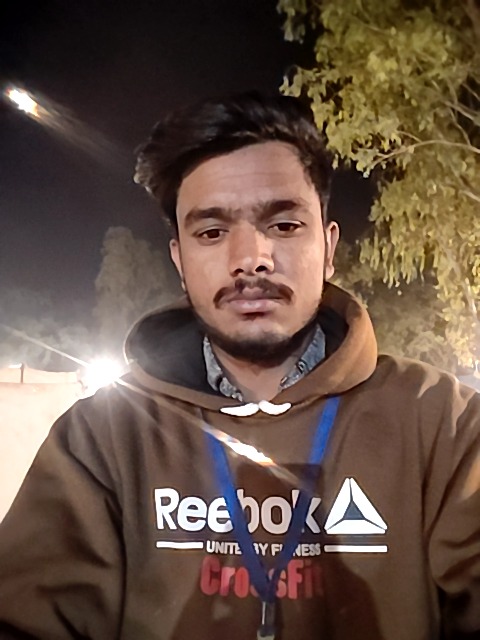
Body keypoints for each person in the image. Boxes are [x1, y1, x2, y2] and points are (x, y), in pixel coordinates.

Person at [0, 92, 479, 640]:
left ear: (328, 248)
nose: (251, 258)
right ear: (180, 260)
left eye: (284, 225)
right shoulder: (101, 439)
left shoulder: (445, 426)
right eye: (212, 232)